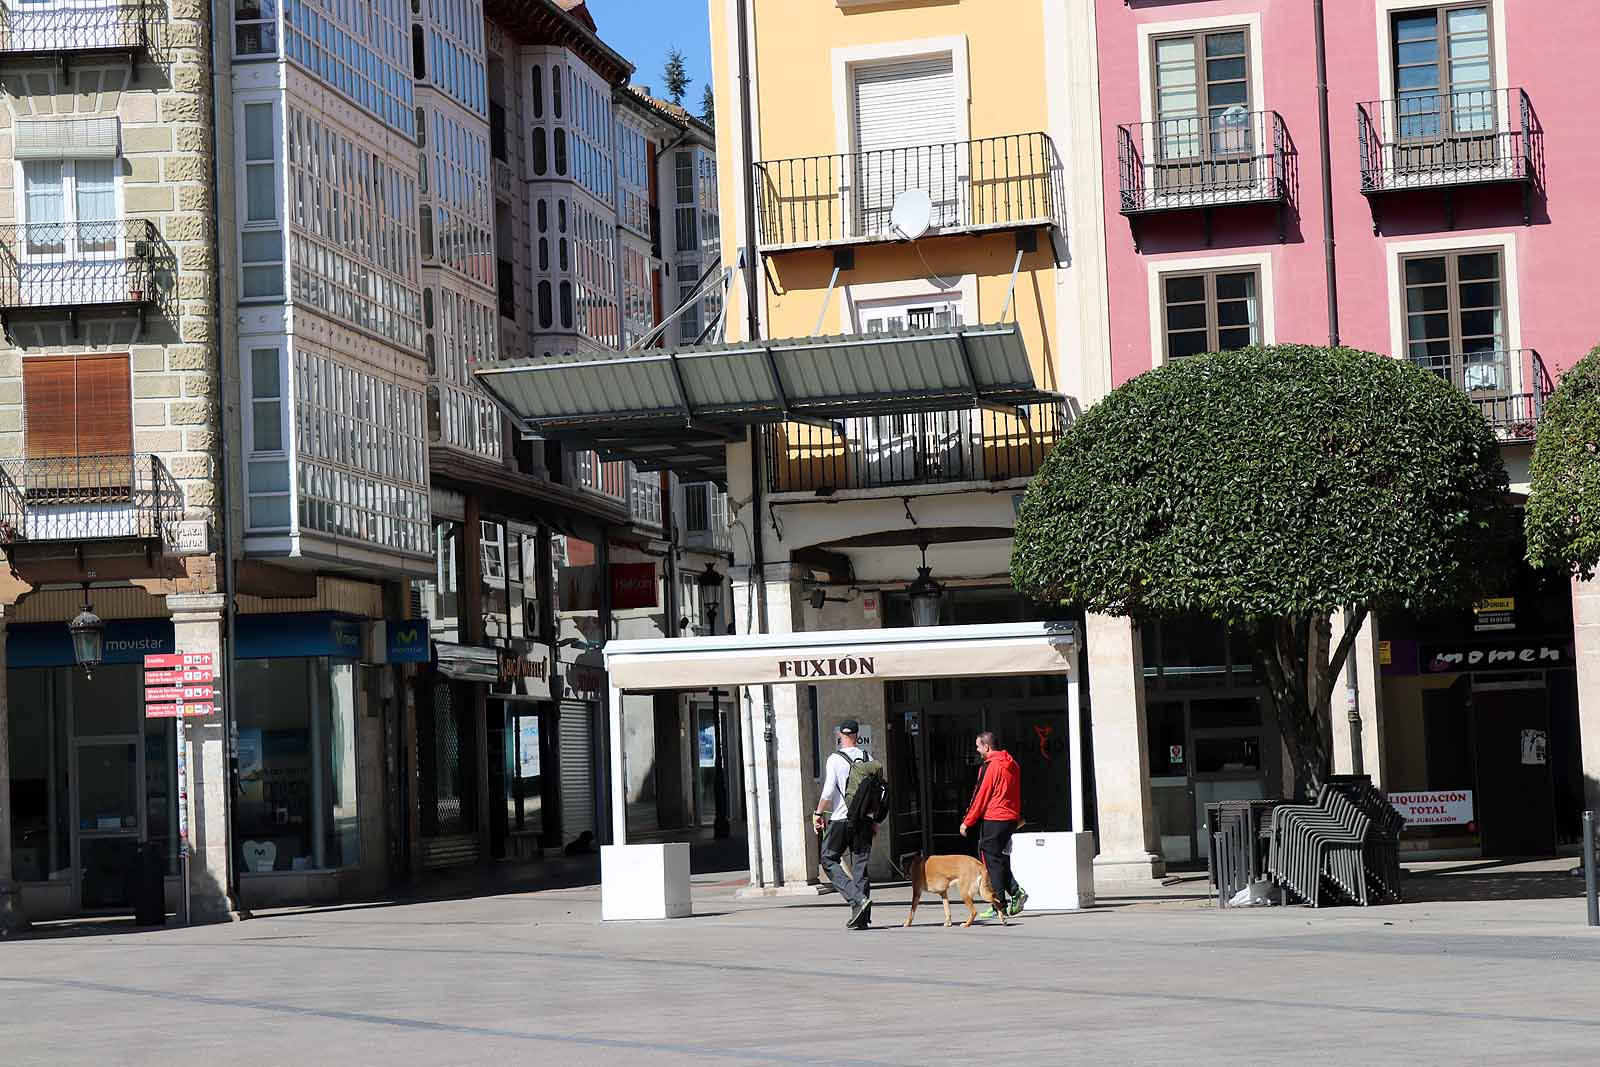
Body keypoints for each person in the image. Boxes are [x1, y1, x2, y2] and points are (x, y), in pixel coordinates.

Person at [813, 719, 874, 929]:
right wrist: (873, 820)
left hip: (840, 819)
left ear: (841, 735)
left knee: (828, 859)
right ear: (857, 735)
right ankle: (862, 918)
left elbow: (829, 790)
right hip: (864, 821)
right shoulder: (868, 757)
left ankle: (857, 899)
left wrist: (818, 813)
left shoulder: (835, 759)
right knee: (860, 867)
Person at [959, 731, 1027, 919]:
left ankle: (999, 903)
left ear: (987, 747)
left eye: (978, 746)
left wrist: (967, 821)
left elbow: (980, 795)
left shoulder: (990, 766)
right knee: (999, 858)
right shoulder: (1012, 764)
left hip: (994, 818)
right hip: (1010, 819)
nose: (977, 749)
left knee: (991, 860)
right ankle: (1014, 893)